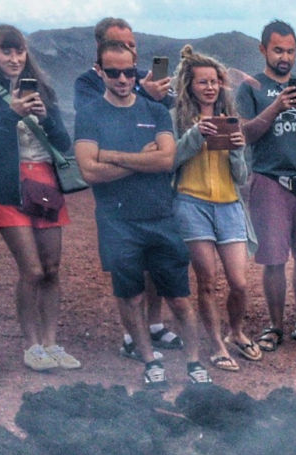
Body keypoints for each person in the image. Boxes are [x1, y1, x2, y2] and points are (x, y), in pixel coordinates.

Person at [74, 38, 208, 388]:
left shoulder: (154, 111)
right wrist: (140, 162)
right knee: (131, 295)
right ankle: (149, 361)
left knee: (179, 297)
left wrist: (113, 156)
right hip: (117, 221)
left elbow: (166, 159)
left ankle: (195, 363)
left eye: (129, 72)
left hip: (161, 217)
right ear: (100, 71)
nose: (122, 79)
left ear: (137, 71)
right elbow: (88, 171)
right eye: (114, 72)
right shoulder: (90, 115)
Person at [0, 24, 79, 374]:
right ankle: (31, 346)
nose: (14, 59)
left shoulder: (42, 89)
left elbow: (63, 143)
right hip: (10, 185)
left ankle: (51, 341)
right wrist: (12, 112)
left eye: (19, 52)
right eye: (6, 52)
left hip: (46, 181)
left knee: (52, 268)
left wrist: (46, 119)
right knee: (30, 269)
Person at [72, 16, 180, 359]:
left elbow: (165, 151)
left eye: (132, 46)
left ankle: (153, 324)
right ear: (101, 51)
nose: (128, 54)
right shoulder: (86, 84)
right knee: (128, 269)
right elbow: (90, 162)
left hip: (153, 195)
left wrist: (150, 95)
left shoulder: (140, 81)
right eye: (121, 44)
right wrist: (139, 158)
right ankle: (132, 335)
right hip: (117, 204)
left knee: (154, 264)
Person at [236, 19, 296, 352]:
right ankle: (275, 326)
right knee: (274, 258)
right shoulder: (251, 88)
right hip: (269, 180)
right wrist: (276, 107)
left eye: (291, 51)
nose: (285, 57)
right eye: (278, 49)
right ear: (263, 49)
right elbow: (244, 134)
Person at [171, 45, 254, 372]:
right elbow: (169, 161)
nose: (209, 87)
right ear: (188, 86)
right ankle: (217, 343)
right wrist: (194, 135)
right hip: (191, 203)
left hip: (229, 205)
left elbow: (241, 176)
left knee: (240, 283)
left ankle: (235, 331)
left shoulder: (228, 121)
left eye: (214, 81)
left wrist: (237, 149)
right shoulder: (176, 119)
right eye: (202, 81)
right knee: (206, 281)